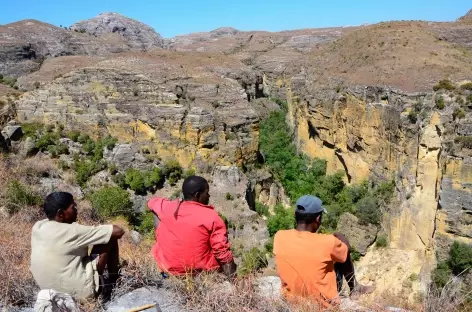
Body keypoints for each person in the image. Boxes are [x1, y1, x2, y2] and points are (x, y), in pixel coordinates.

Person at [274, 195, 374, 309]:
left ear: (295, 215)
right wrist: (340, 235)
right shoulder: (328, 242)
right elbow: (346, 251)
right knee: (339, 253)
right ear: (317, 219)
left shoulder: (279, 236)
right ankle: (354, 287)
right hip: (322, 306)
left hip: (291, 302)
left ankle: (355, 287)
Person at [30, 192, 125, 300]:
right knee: (109, 238)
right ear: (61, 214)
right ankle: (114, 280)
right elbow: (119, 231)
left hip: (48, 292)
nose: (76, 209)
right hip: (79, 292)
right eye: (73, 206)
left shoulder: (38, 226)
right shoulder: (73, 231)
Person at [147, 175, 237, 278]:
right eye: (206, 192)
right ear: (198, 195)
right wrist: (233, 282)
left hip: (166, 271)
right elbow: (223, 254)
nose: (209, 196)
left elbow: (151, 203)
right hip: (198, 275)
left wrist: (158, 232)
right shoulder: (212, 217)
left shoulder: (168, 207)